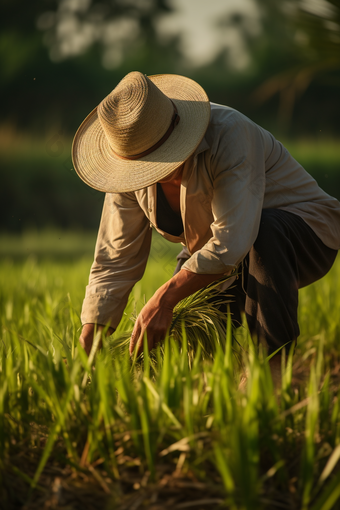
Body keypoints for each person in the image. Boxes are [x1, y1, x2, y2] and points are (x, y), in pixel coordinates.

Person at [72, 71, 340, 385]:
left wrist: (164, 298)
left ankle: (270, 375)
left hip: (302, 237)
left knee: (264, 231)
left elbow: (233, 238)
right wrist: (92, 333)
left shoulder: (230, 133)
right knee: (177, 331)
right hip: (221, 253)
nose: (146, 172)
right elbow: (115, 258)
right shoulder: (126, 169)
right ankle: (198, 388)